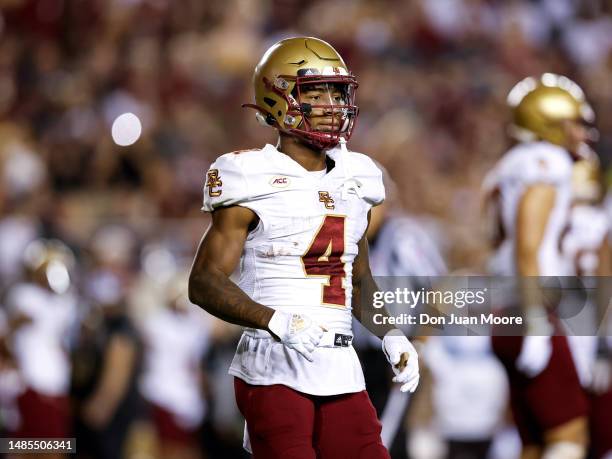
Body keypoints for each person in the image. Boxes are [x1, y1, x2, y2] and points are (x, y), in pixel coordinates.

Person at [188, 36, 419, 459]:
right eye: (315, 93)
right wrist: (275, 320)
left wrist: (392, 334)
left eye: (338, 92)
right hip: (273, 364)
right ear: (277, 100)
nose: (333, 106)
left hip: (339, 365)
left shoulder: (358, 176)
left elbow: (358, 278)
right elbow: (203, 281)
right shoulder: (248, 174)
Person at [484, 73, 594, 459]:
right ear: (549, 122)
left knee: (533, 442)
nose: (581, 133)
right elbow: (528, 246)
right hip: (531, 308)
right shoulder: (546, 162)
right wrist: (534, 323)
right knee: (570, 437)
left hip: (504, 310)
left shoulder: (508, 165)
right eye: (575, 123)